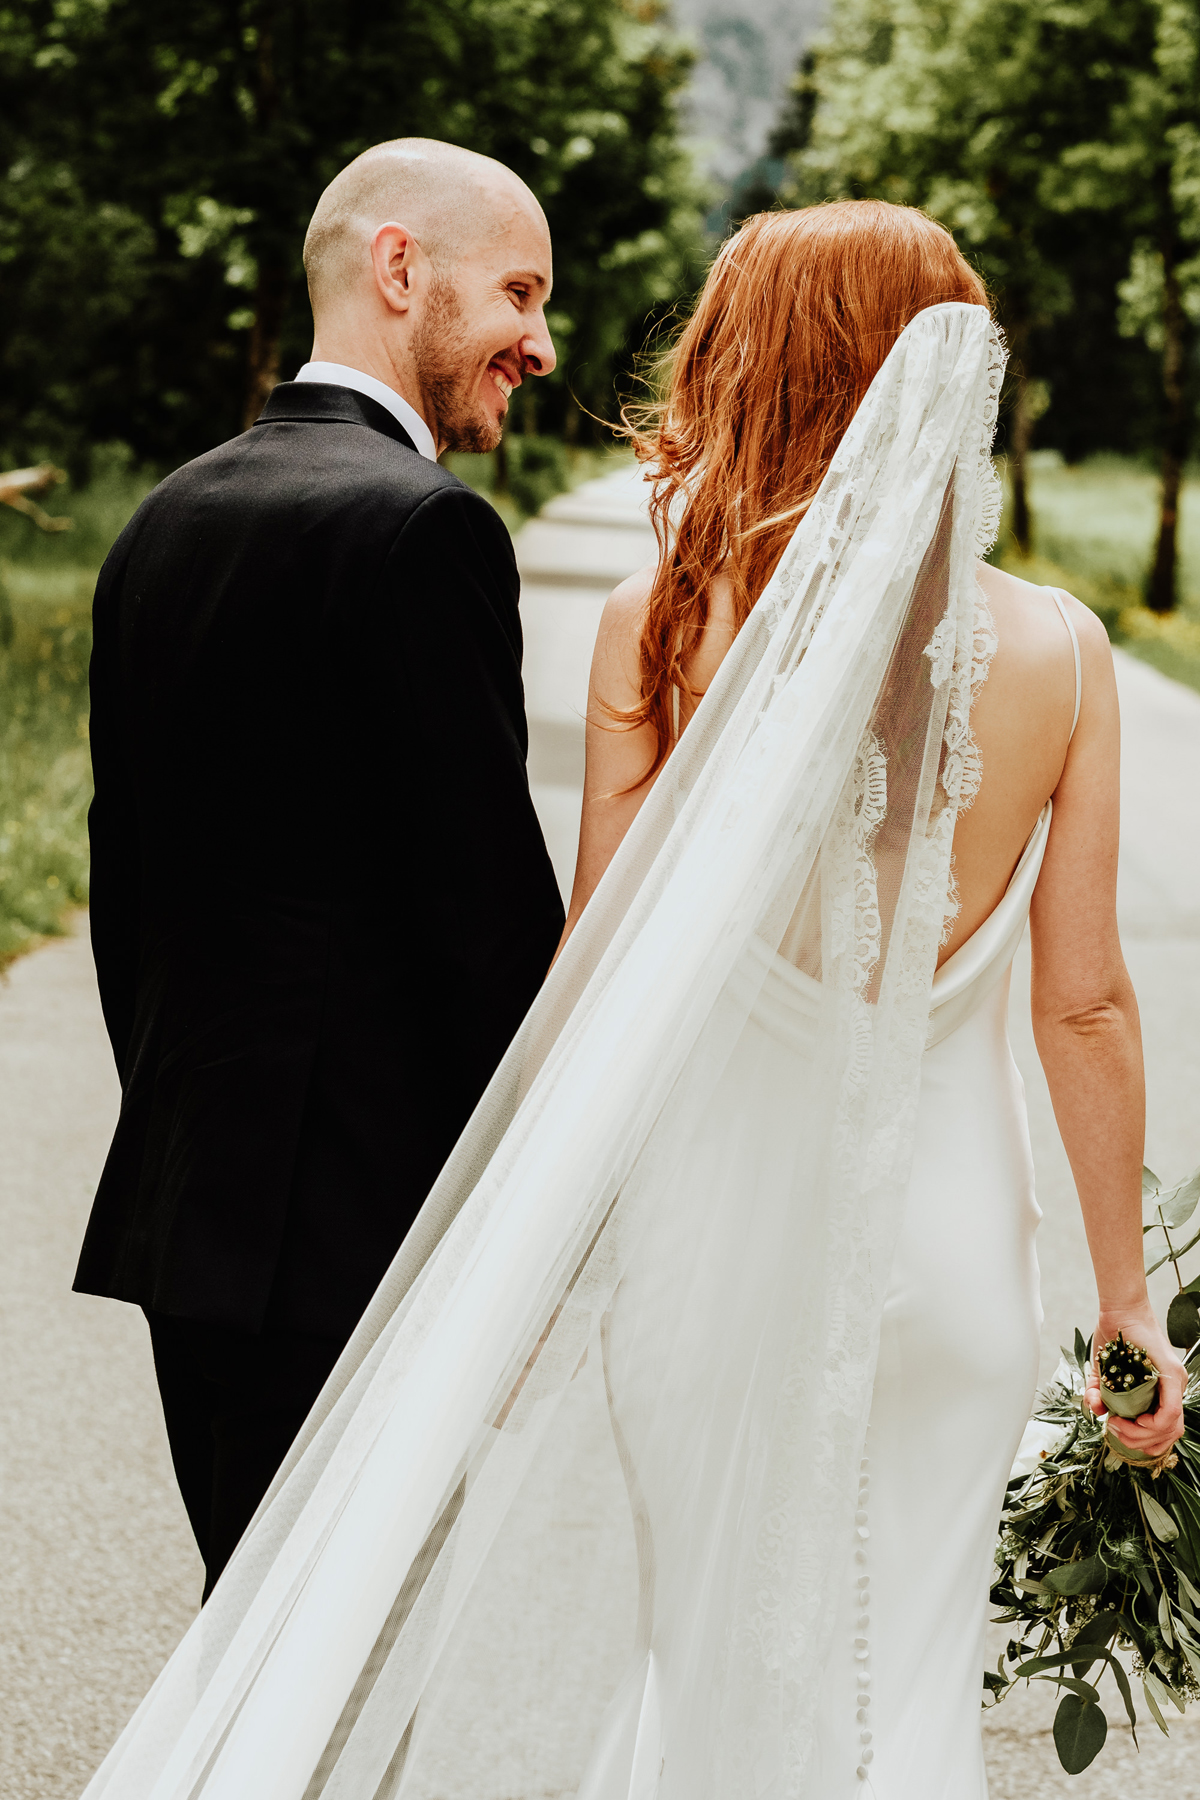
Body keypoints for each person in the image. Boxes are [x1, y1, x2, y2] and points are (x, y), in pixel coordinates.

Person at [79, 204, 1185, 1800]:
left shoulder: (656, 625)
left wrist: (514, 1259)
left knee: (711, 1660)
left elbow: (592, 975)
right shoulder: (1064, 655)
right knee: (913, 1677)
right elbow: (1085, 1010)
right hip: (948, 1273)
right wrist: (1126, 1306)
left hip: (709, 1268)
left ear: (751, 366)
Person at [73, 138, 565, 1601]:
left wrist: (194, 1126)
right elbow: (486, 932)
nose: (540, 344)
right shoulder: (423, 530)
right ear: (399, 267)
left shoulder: (164, 518)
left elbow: (126, 896)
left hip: (195, 1220)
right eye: (520, 292)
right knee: (344, 1681)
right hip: (364, 1239)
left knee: (256, 1644)